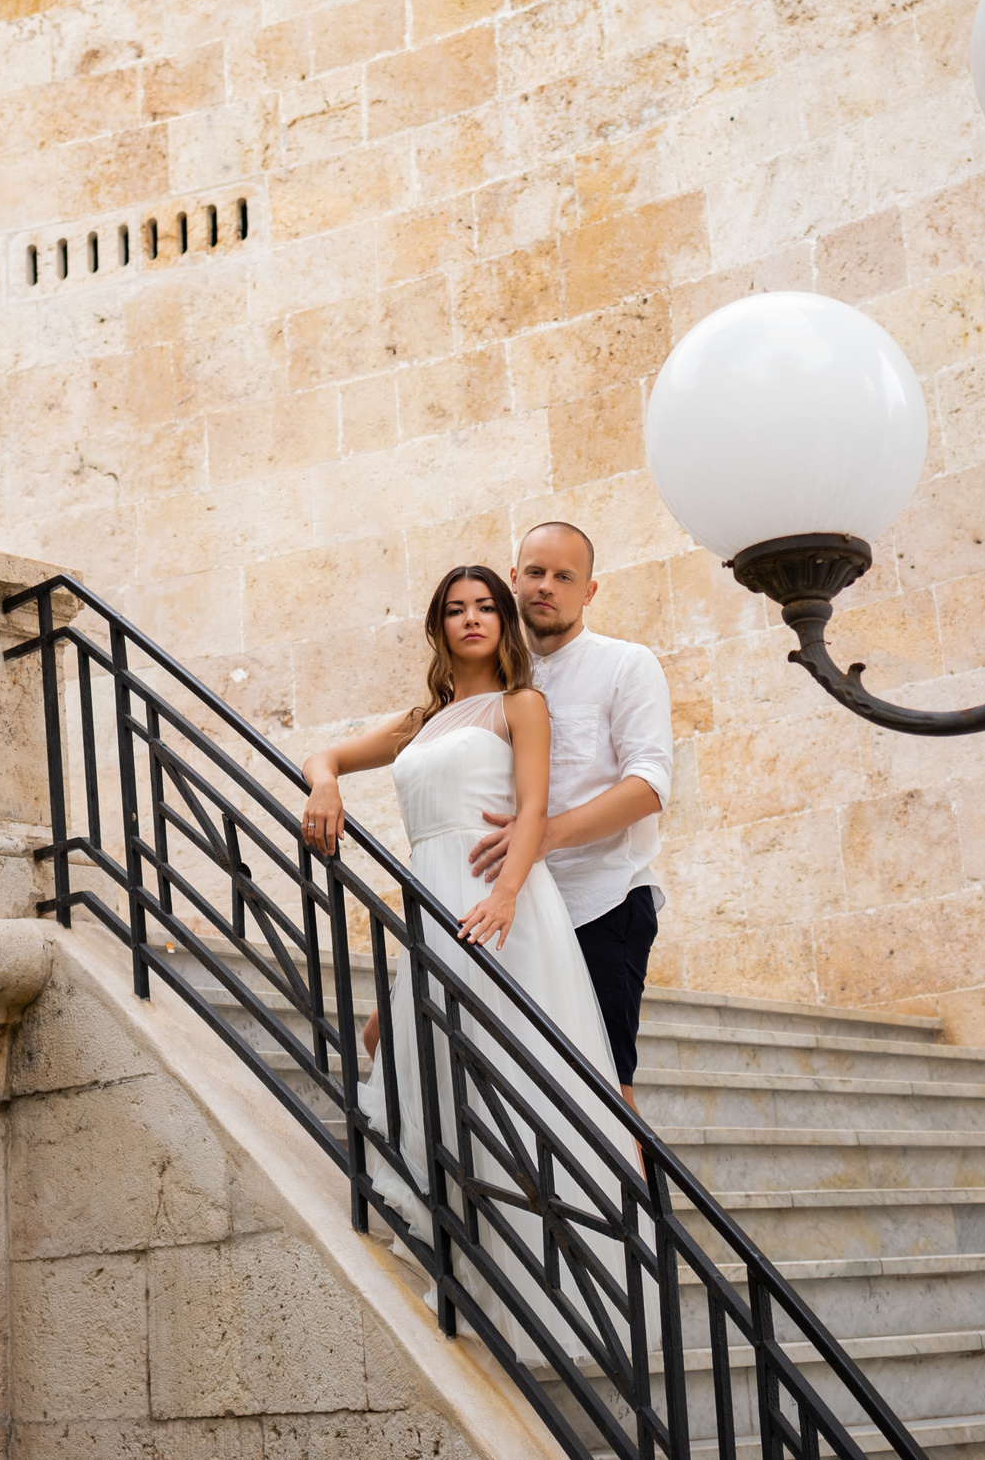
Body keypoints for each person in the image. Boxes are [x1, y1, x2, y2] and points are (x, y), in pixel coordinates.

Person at [299, 563, 627, 1363]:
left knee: (505, 1077)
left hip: (496, 901)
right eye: (456, 608)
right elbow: (327, 754)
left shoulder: (522, 703)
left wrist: (510, 893)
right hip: (432, 899)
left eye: (486, 606)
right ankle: (466, 1267)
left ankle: (548, 1296)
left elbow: (535, 806)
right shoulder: (423, 718)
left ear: (503, 620)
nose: (472, 618)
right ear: (439, 625)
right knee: (415, 1051)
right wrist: (324, 790)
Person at [469, 522, 671, 1111]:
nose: (546, 587)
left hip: (601, 904)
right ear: (513, 579)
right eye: (535, 572)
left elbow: (649, 785)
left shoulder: (626, 666)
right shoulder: (495, 682)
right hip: (510, 901)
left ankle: (639, 1207)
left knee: (605, 1093)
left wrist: (543, 835)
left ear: (590, 591)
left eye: (564, 576)